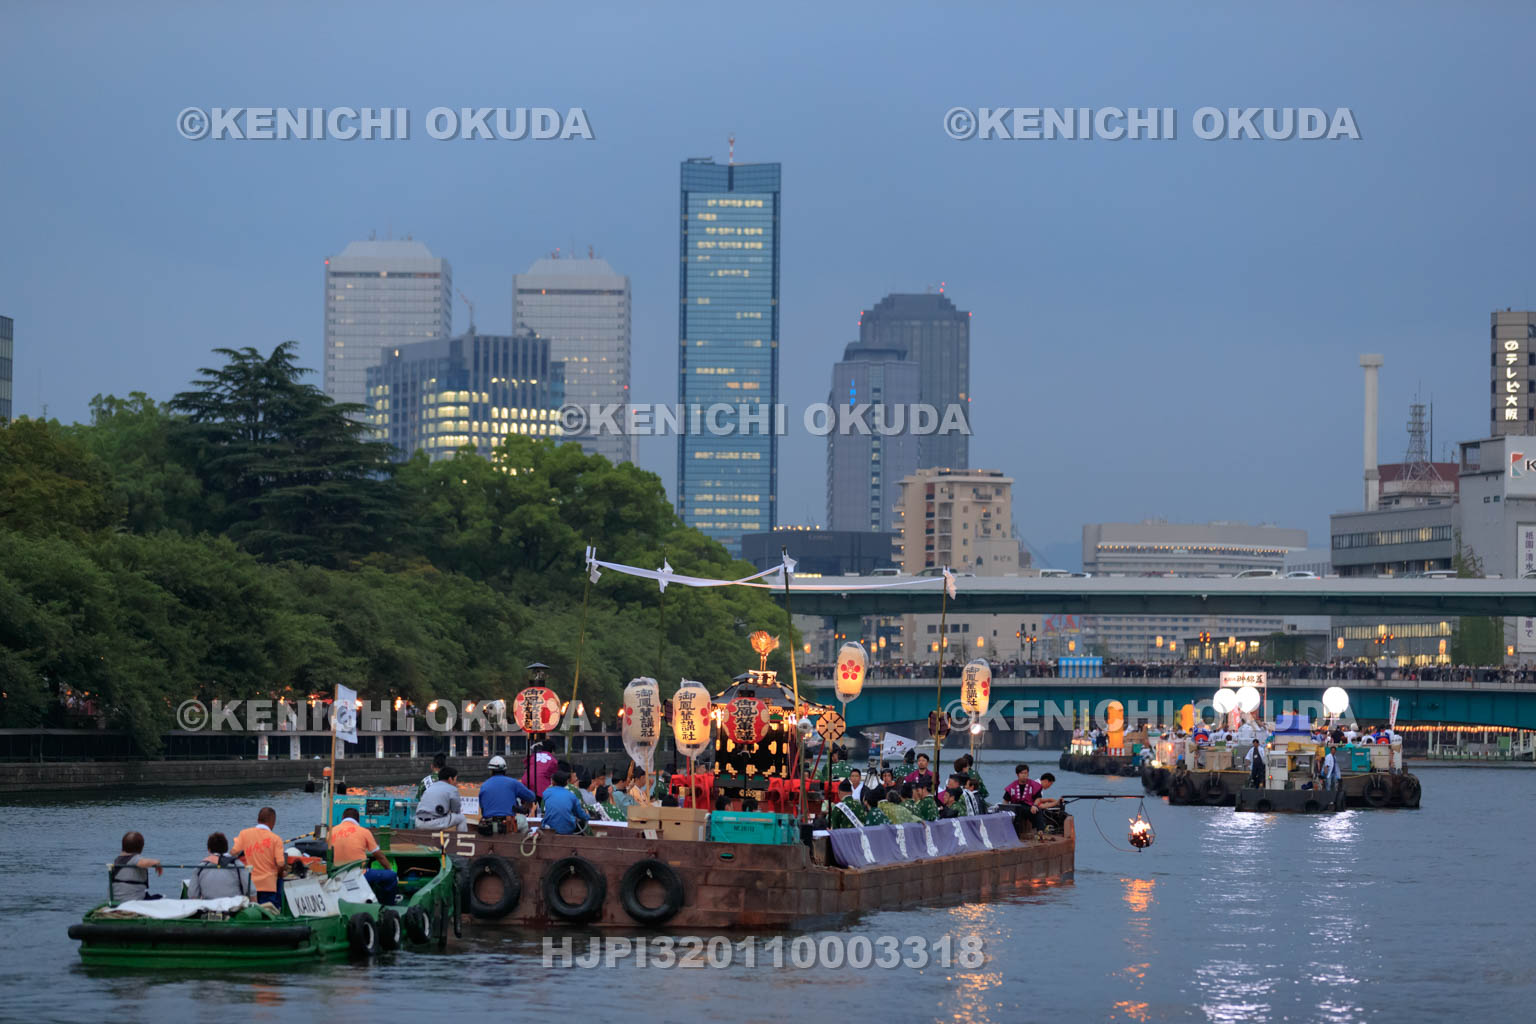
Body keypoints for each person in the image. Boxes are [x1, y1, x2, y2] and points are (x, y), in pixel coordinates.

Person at [329, 808, 398, 905]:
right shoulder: (364, 832)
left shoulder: (331, 832)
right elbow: (379, 856)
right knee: (391, 877)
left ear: (342, 818)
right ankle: (387, 905)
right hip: (359, 874)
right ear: (358, 820)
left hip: (337, 874)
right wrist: (389, 869)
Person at [232, 807, 287, 908]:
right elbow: (280, 864)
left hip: (248, 884)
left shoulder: (244, 834)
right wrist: (279, 873)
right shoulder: (276, 839)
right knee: (270, 909)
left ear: (258, 819)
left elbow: (232, 855)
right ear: (273, 821)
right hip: (268, 886)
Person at [186, 832, 253, 901]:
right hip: (234, 907)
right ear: (226, 848)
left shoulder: (199, 868)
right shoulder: (237, 865)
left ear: (209, 850)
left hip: (209, 908)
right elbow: (251, 891)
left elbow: (193, 895)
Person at [110, 831, 163, 905]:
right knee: (161, 898)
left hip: (116, 900)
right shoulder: (134, 858)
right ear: (141, 847)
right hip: (133, 902)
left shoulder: (117, 860)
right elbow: (142, 863)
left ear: (123, 846)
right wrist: (156, 862)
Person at [478, 755, 537, 820]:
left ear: (491, 771)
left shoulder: (484, 785)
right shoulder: (513, 783)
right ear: (505, 770)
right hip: (508, 823)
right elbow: (532, 797)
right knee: (524, 823)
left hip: (488, 823)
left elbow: (483, 808)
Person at [416, 765, 468, 832]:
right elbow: (456, 810)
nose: (456, 782)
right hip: (433, 823)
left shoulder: (431, 788)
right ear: (450, 779)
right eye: (455, 779)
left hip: (418, 822)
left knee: (440, 816)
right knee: (461, 818)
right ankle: (463, 839)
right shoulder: (452, 789)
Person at [540, 770, 590, 834]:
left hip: (549, 828)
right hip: (567, 830)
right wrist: (587, 815)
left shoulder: (546, 792)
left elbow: (543, 810)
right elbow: (580, 814)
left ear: (552, 782)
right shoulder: (572, 796)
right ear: (567, 782)